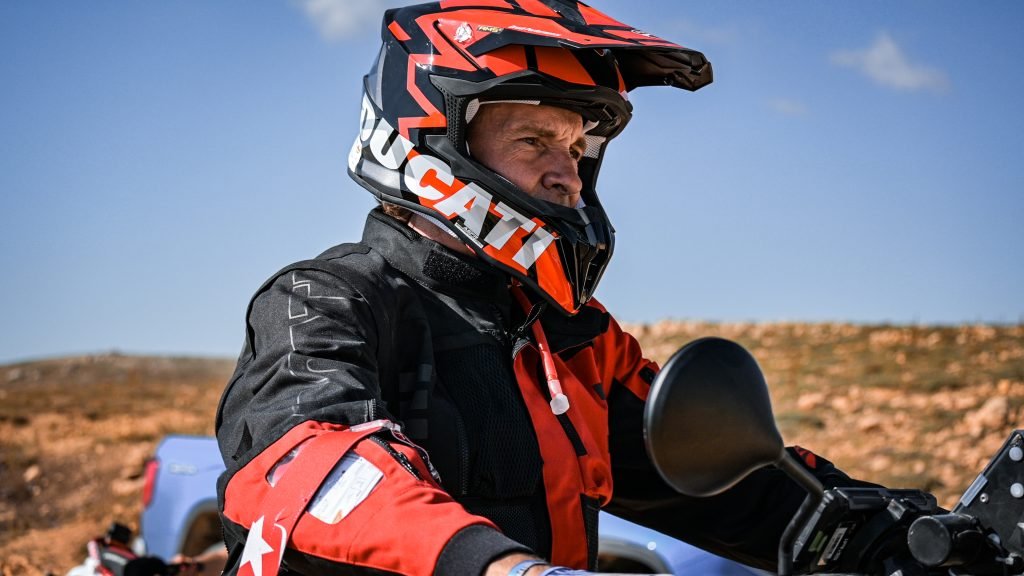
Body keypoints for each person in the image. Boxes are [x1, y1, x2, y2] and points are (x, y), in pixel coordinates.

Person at [215, 2, 886, 575]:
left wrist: (885, 528)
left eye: (575, 149)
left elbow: (713, 476)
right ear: (436, 141)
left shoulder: (572, 338)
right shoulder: (328, 300)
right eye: (535, 141)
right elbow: (309, 464)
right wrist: (505, 568)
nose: (568, 175)